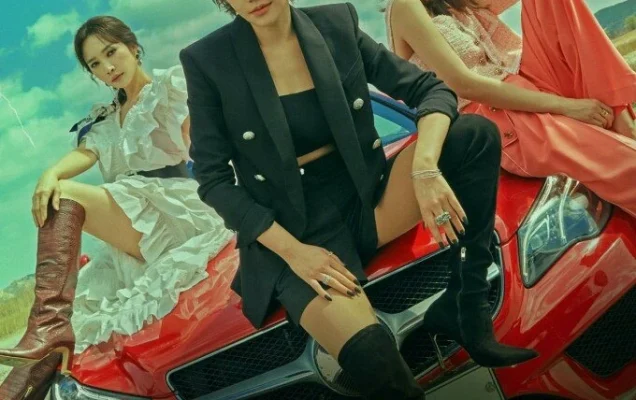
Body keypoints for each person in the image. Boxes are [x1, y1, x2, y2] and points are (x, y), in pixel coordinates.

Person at [180, 0, 537, 398]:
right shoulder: (208, 60)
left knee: (473, 135)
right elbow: (212, 179)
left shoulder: (335, 23)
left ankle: (467, 308)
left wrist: (425, 166)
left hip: (366, 199)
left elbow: (430, 89)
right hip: (293, 228)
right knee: (379, 366)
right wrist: (296, 253)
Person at [0, 15, 233, 395]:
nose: (108, 67)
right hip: (132, 229)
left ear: (133, 47)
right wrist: (49, 173)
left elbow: (204, 137)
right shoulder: (104, 119)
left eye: (112, 53)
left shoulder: (169, 87)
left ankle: (47, 326)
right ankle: (19, 383)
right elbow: (86, 153)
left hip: (175, 214)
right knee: (77, 320)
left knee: (67, 193)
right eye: (95, 63)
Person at [386, 0, 636, 218]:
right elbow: (466, 86)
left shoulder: (450, 2)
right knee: (625, 167)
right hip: (498, 112)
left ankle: (623, 122)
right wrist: (568, 107)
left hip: (526, 82)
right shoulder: (405, 6)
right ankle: (623, 131)